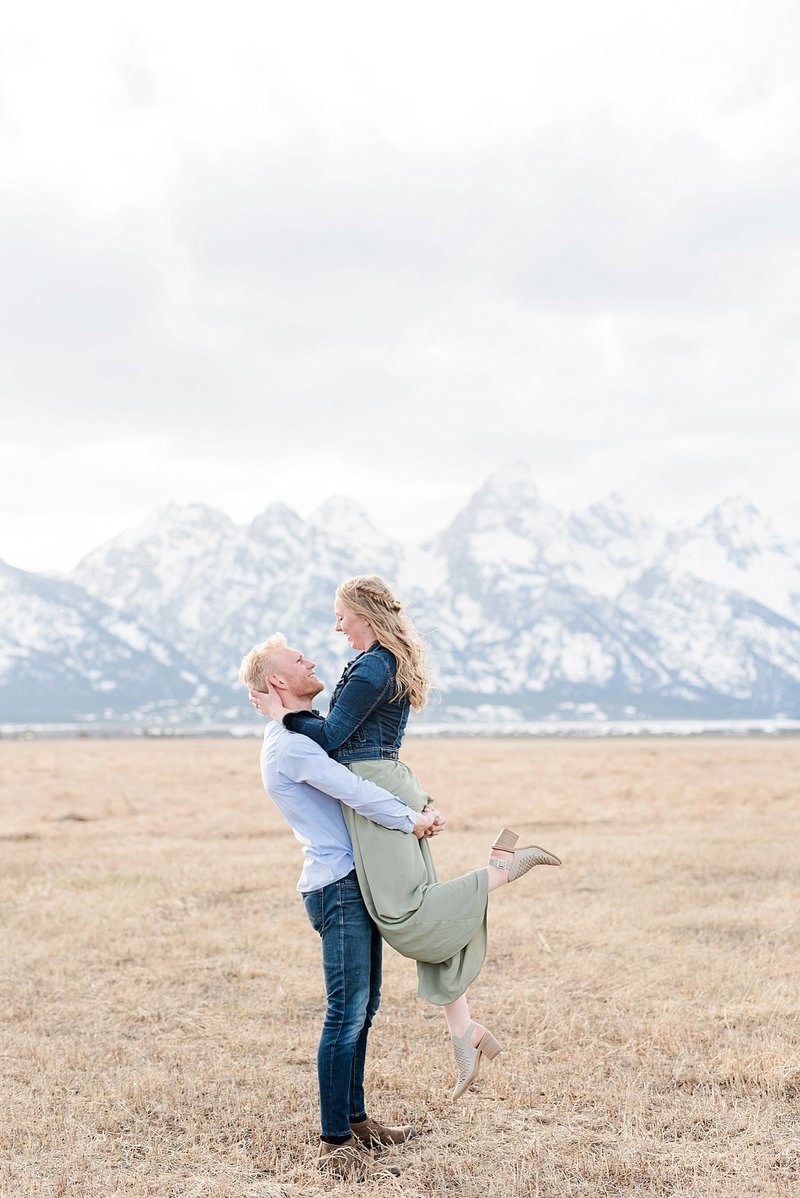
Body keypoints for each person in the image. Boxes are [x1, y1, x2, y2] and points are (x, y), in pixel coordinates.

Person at [248, 575, 561, 1102]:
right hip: (383, 781)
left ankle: (501, 870)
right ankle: (462, 1030)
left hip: (375, 784)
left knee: (407, 912)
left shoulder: (373, 665)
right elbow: (343, 738)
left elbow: (331, 738)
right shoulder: (375, 662)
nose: (336, 627)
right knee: (417, 905)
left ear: (363, 614)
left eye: (341, 616)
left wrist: (284, 714)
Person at [239, 634, 444, 1181]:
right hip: (338, 888)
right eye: (298, 660)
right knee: (346, 1011)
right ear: (278, 682)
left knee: (364, 1006)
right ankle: (335, 1141)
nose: (312, 660)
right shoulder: (291, 743)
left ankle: (357, 1121)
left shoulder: (303, 735)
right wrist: (410, 817)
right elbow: (351, 787)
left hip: (350, 882)